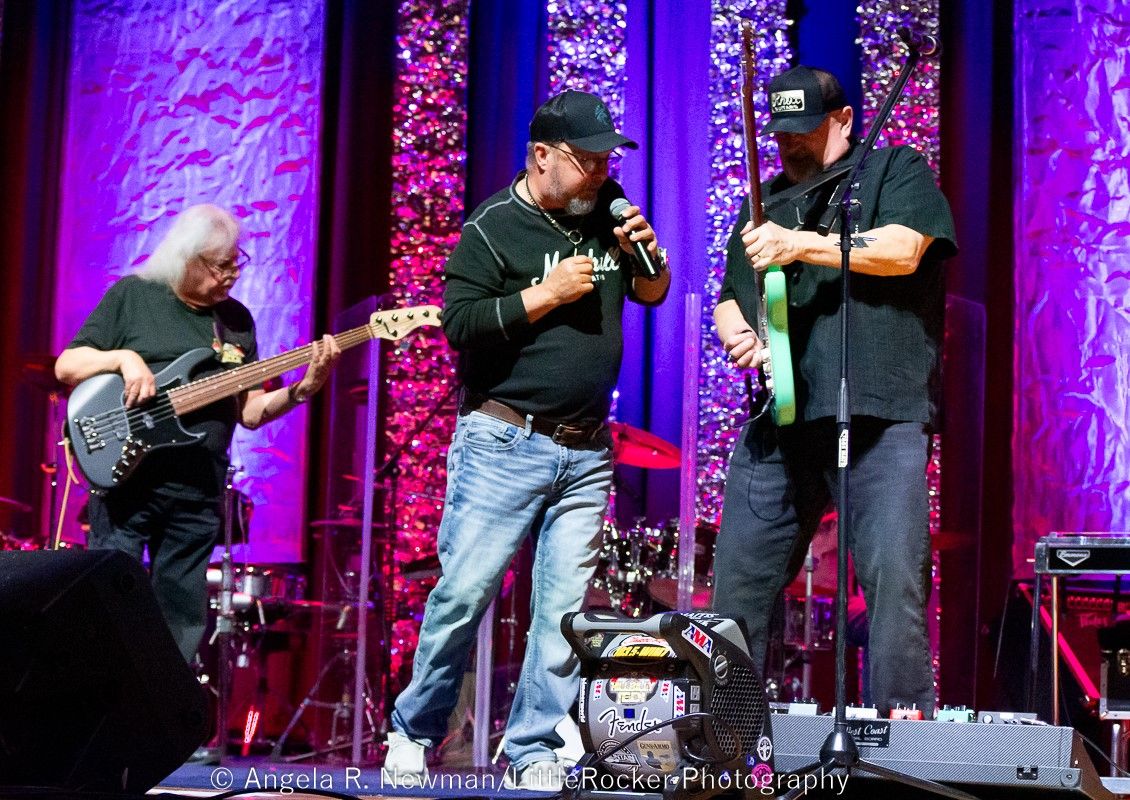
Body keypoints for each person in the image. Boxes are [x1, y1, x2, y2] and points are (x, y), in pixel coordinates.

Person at [384, 89, 670, 790]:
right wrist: (545, 295)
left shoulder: (609, 209)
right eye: (588, 159)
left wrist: (648, 255)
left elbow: (653, 293)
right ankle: (413, 730)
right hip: (505, 440)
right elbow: (458, 324)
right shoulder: (492, 227)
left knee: (564, 612)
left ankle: (532, 747)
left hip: (588, 448)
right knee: (464, 594)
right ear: (542, 155)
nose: (602, 171)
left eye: (607, 159)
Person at [711, 65, 956, 716]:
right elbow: (730, 297)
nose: (790, 143)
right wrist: (739, 334)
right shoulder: (763, 203)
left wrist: (798, 244)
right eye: (781, 132)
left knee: (893, 587)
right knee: (736, 589)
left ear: (844, 120)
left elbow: (903, 249)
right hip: (782, 419)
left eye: (806, 129)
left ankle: (901, 751)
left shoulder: (894, 169)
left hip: (879, 414)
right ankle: (724, 740)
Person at [55, 204, 340, 663]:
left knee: (181, 621)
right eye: (221, 266)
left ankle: (166, 706)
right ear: (187, 258)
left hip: (196, 492)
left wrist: (301, 391)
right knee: (109, 605)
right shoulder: (134, 295)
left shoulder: (237, 322)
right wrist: (124, 359)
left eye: (236, 263)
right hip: (127, 483)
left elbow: (250, 412)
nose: (233, 275)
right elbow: (67, 366)